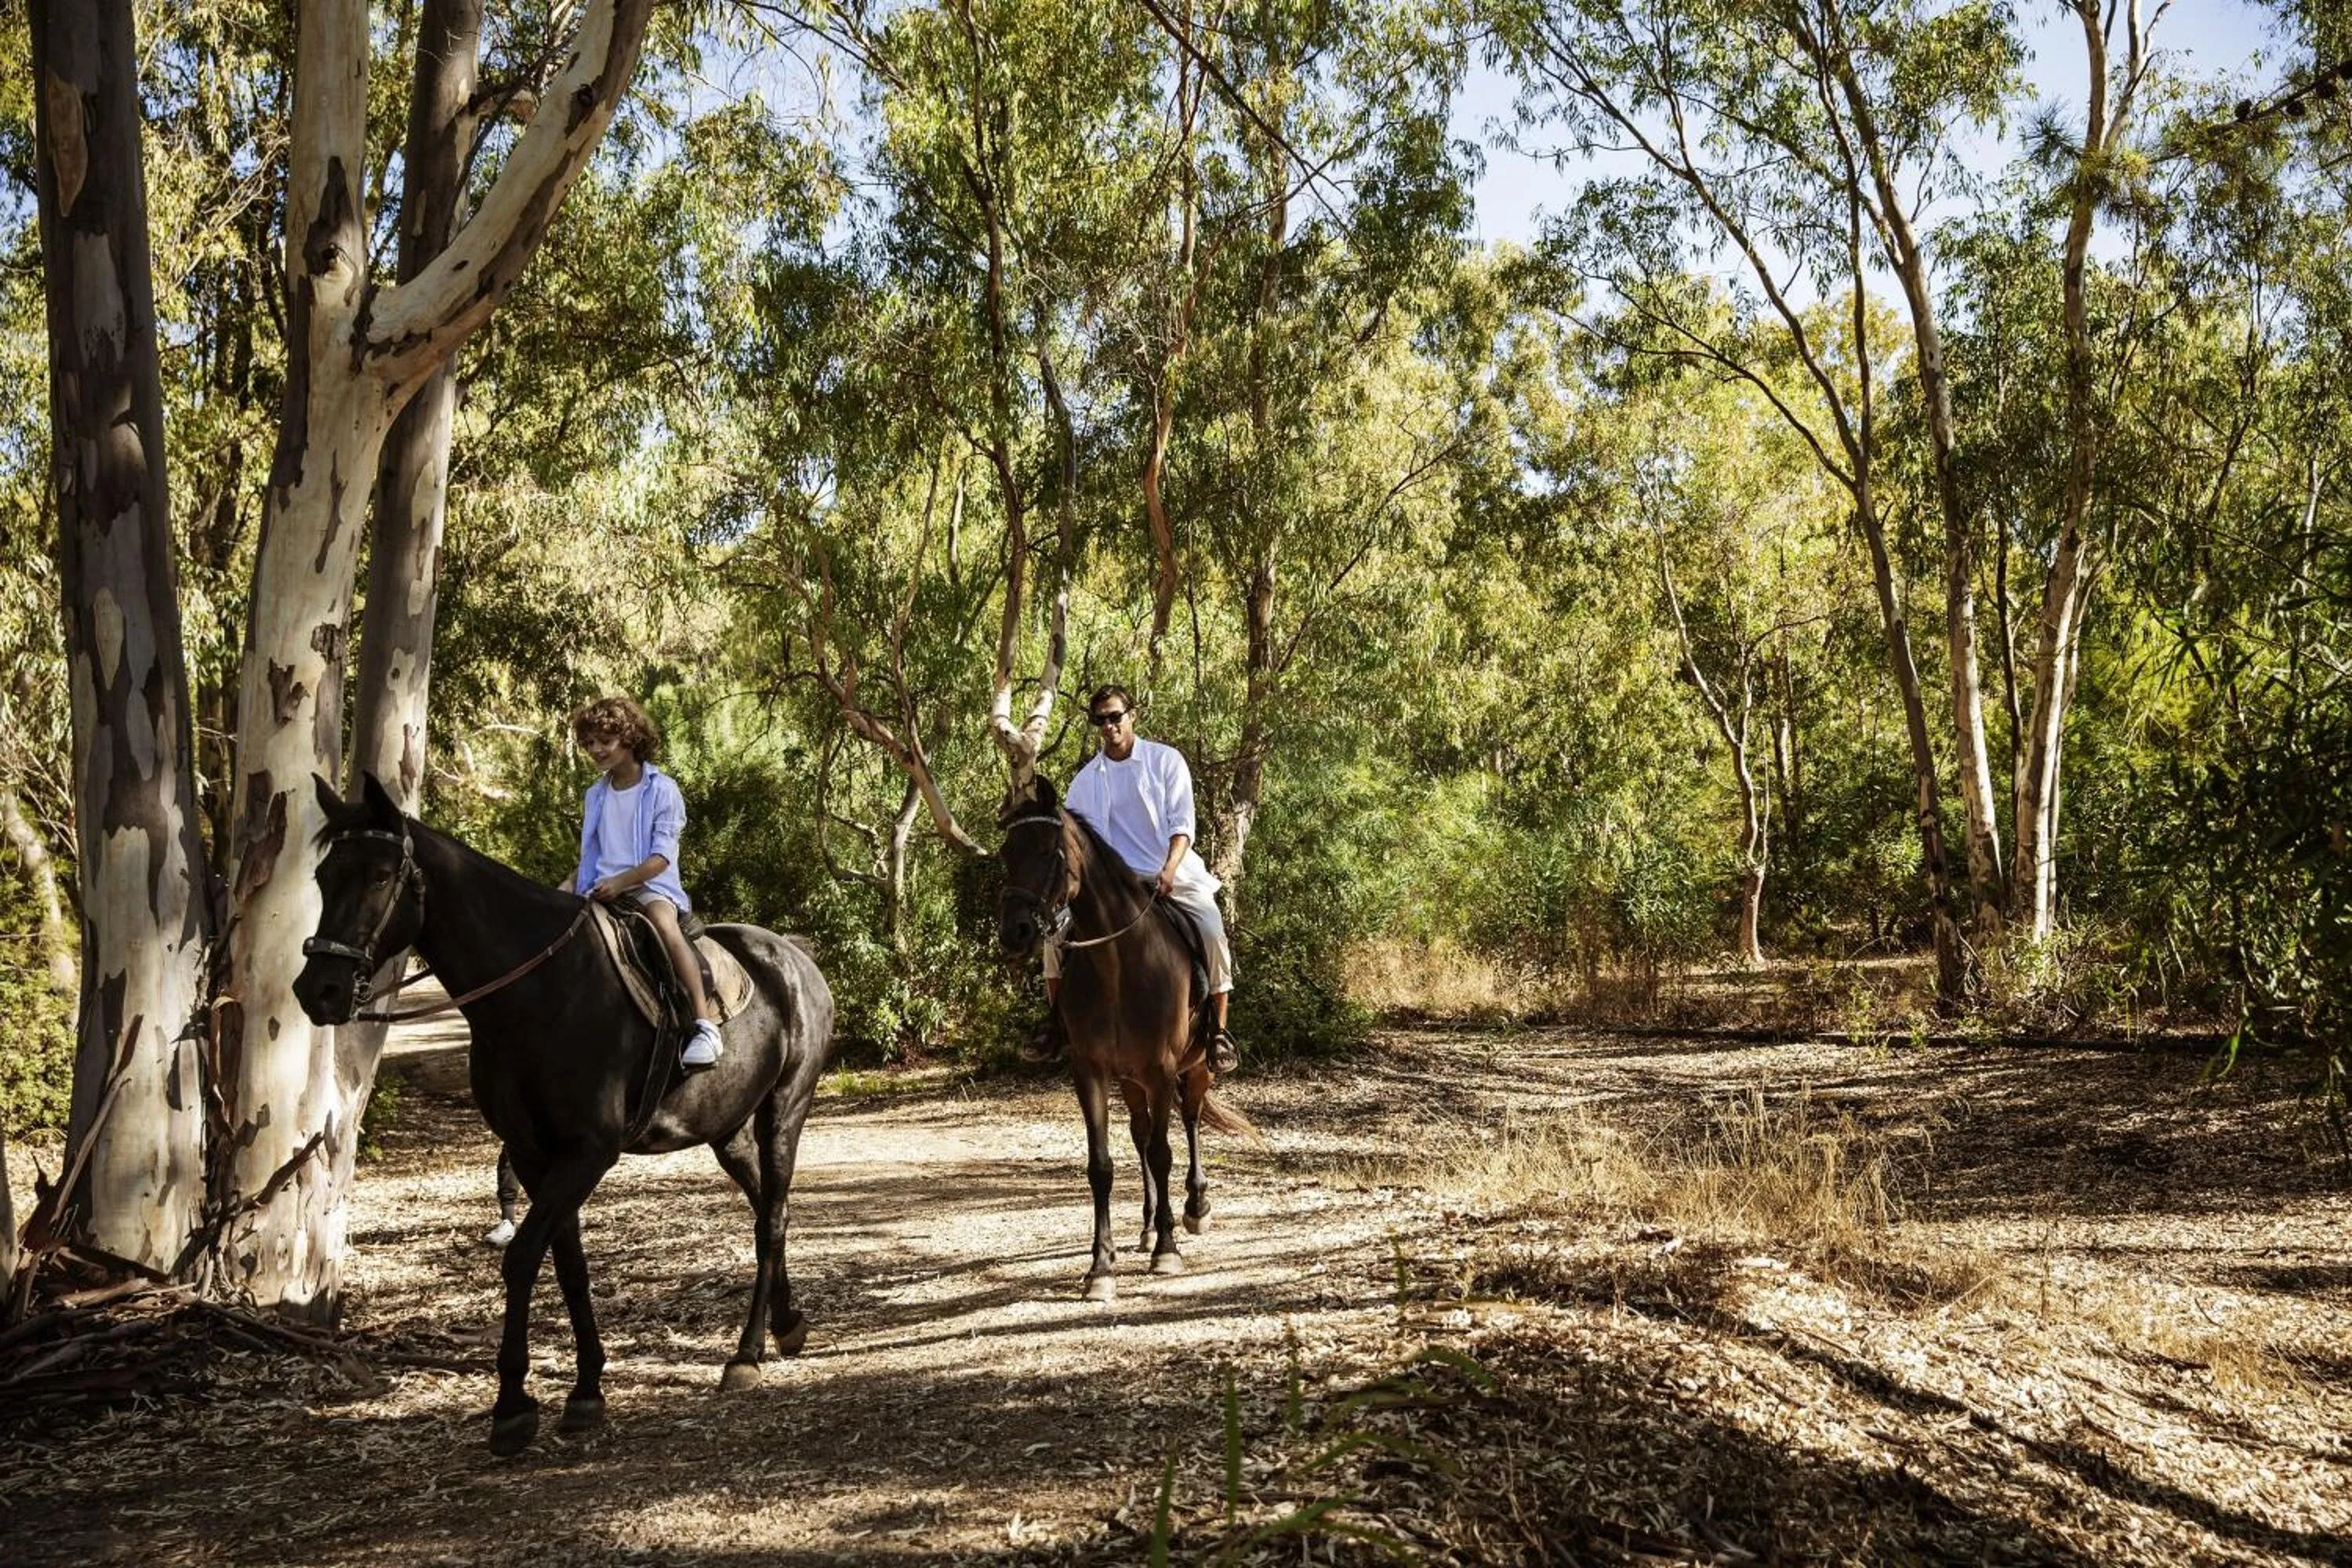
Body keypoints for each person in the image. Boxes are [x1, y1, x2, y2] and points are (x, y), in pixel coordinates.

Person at [1044, 684, 1238, 1073]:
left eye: (1115, 716)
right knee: (1052, 939)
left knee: (1212, 929)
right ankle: (1053, 1027)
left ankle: (1218, 1031)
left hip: (1169, 875)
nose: (1109, 725)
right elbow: (1076, 845)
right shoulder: (1084, 783)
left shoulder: (1165, 761)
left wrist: (1169, 869)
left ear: (1132, 715)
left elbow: (1182, 825)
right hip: (1113, 890)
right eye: (1100, 720)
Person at [569, 696, 726, 1069]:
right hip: (601, 888)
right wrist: (567, 888)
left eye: (604, 741)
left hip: (650, 887)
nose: (596, 750)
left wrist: (622, 882)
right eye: (589, 743)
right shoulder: (596, 795)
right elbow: (592, 856)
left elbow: (661, 859)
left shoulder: (661, 789)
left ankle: (704, 1025)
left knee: (663, 924)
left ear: (629, 738)